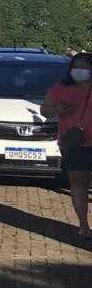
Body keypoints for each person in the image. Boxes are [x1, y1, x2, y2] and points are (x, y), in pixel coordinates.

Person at [41, 52, 92, 238]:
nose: (80, 70)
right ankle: (84, 225)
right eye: (76, 67)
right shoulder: (60, 88)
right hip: (74, 142)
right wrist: (57, 109)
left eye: (84, 67)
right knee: (78, 181)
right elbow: (44, 110)